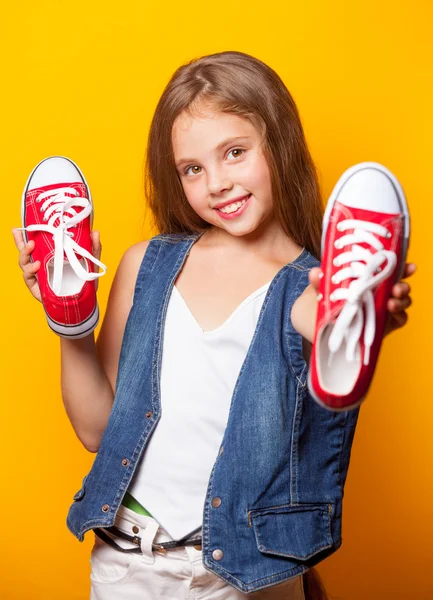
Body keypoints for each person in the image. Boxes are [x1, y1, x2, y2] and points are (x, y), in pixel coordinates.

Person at [13, 51, 415, 599]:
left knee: (325, 322)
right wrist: (70, 329)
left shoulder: (304, 289)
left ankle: (350, 324)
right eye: (193, 169)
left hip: (250, 574)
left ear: (279, 143)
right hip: (131, 567)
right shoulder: (145, 266)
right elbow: (95, 432)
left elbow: (304, 314)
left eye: (235, 152)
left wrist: (350, 315)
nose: (217, 182)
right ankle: (71, 304)